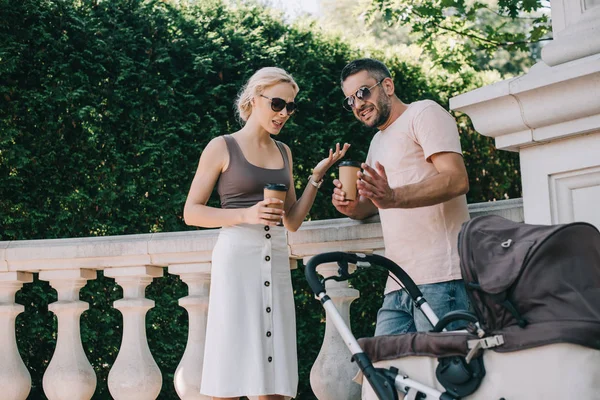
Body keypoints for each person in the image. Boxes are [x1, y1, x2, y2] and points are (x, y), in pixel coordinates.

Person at [183, 67, 349, 400]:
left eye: (290, 107)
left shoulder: (284, 152)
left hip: (274, 261)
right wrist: (246, 214)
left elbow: (291, 221)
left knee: (273, 379)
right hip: (237, 261)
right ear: (253, 99)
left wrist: (315, 177)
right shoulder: (222, 147)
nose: (284, 113)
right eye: (277, 104)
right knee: (231, 369)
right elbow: (191, 212)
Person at [331, 58, 470, 336]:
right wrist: (351, 207)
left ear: (388, 85)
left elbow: (456, 179)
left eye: (362, 92)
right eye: (350, 100)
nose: (358, 104)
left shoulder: (424, 113)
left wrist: (393, 196)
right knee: (384, 375)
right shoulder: (377, 141)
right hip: (397, 281)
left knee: (447, 375)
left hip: (442, 277)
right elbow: (374, 203)